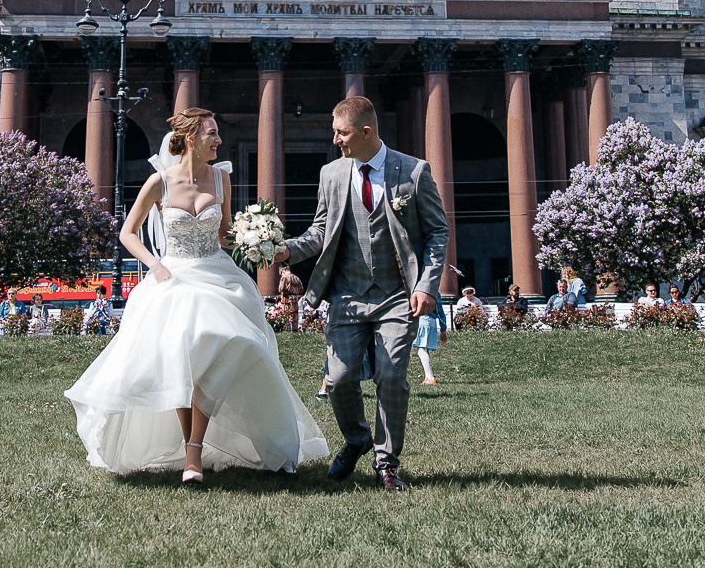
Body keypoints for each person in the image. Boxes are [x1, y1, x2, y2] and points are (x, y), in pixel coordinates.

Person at [65, 107, 327, 485]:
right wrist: (155, 266)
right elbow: (127, 233)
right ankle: (193, 452)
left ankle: (194, 450)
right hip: (172, 275)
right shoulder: (159, 182)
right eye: (212, 133)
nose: (219, 139)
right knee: (179, 356)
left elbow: (223, 235)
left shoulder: (221, 180)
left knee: (229, 340)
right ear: (190, 139)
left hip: (216, 274)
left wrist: (256, 237)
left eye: (218, 133)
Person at [274, 94, 450, 493]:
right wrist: (285, 249)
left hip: (395, 295)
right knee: (337, 380)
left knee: (391, 377)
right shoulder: (331, 174)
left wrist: (426, 285)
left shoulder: (414, 171)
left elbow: (438, 232)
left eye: (342, 132)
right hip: (347, 296)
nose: (335, 139)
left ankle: (386, 462)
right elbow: (321, 231)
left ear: (366, 132)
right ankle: (357, 439)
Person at [414, 305, 440, 386]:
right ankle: (428, 376)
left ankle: (430, 378)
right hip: (432, 321)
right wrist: (443, 328)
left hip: (422, 320)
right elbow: (440, 311)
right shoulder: (437, 294)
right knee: (425, 350)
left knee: (421, 350)